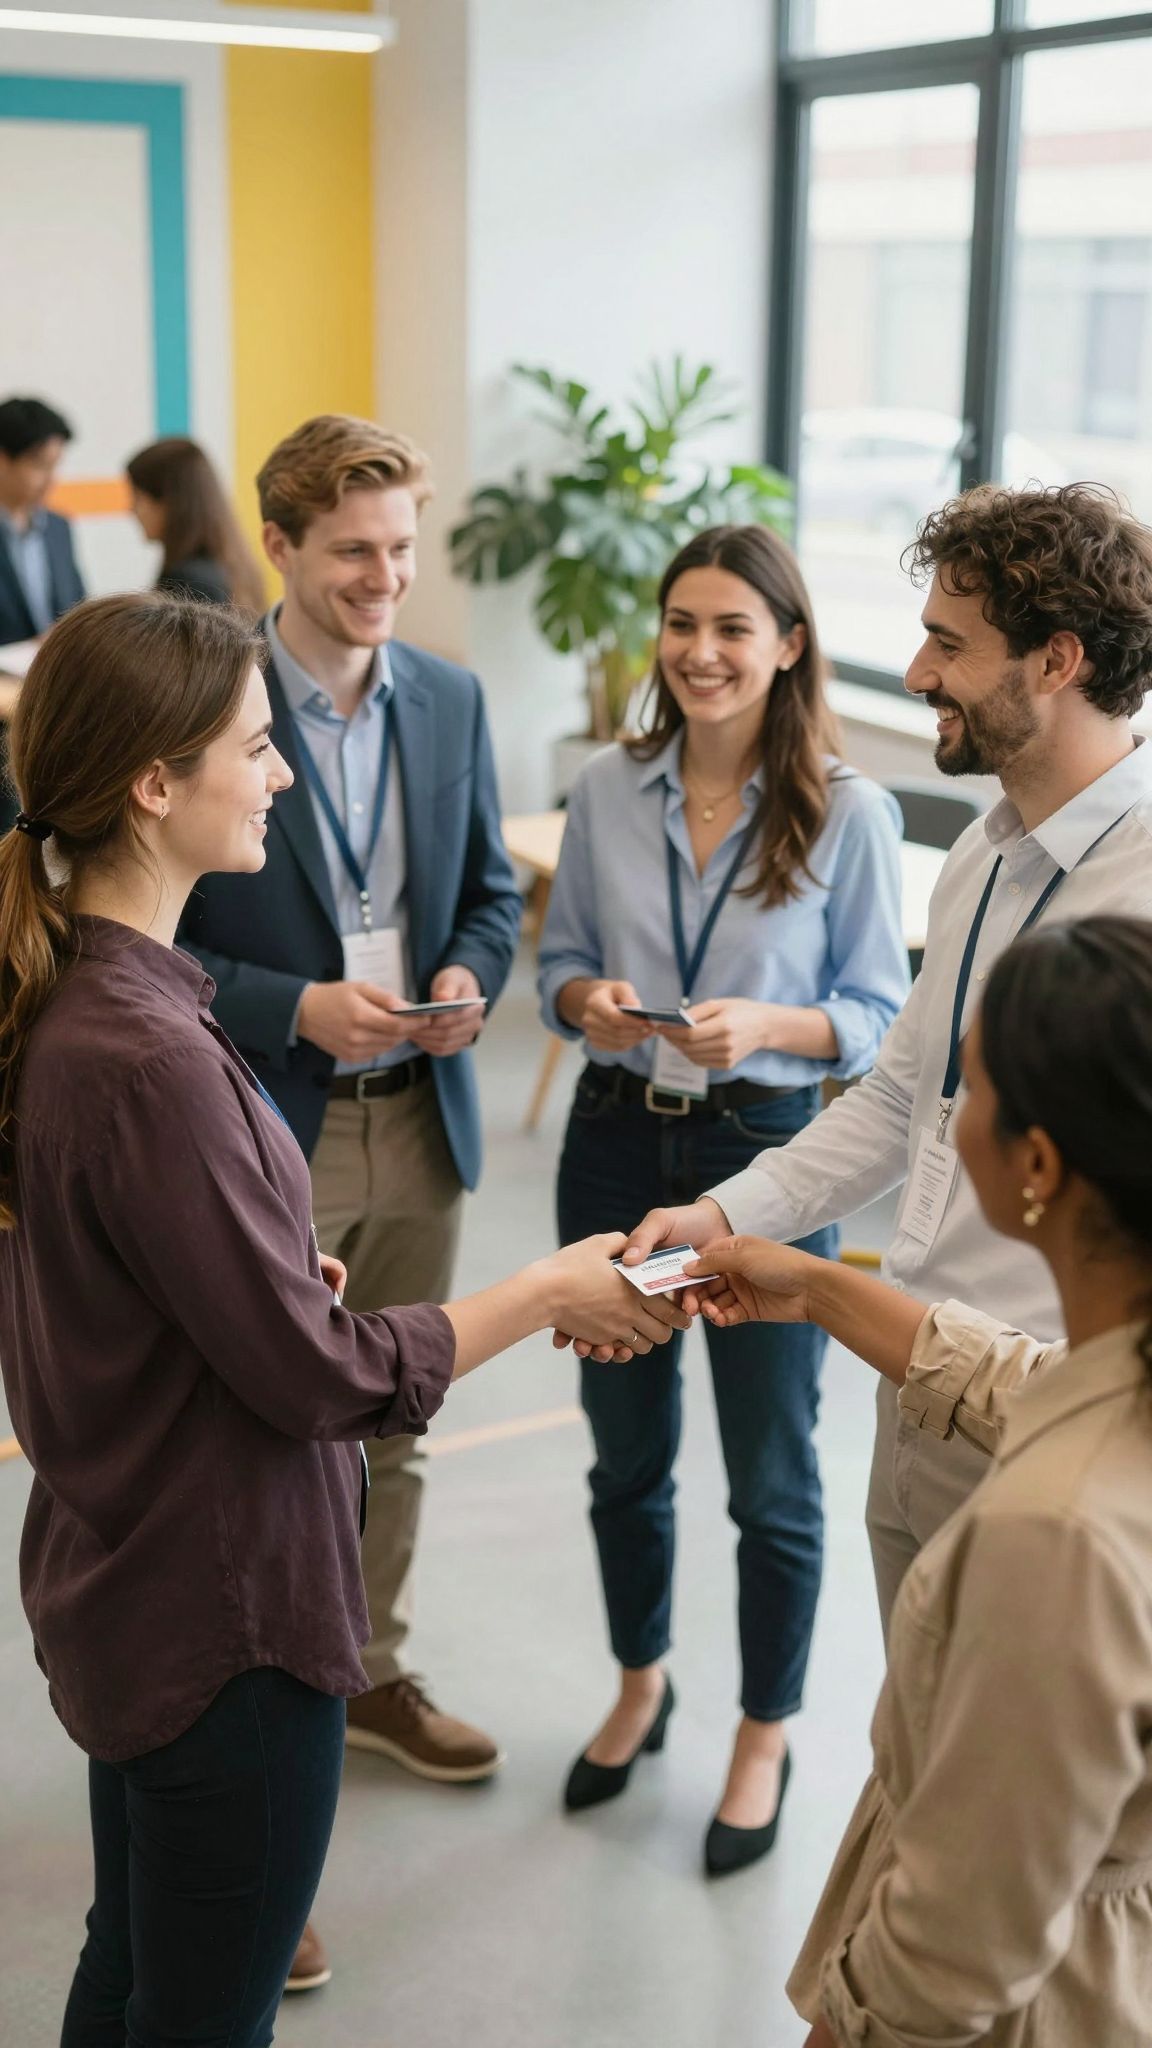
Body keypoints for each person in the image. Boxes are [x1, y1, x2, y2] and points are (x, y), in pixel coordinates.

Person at [0, 591, 688, 2048]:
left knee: (126, 1973)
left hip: (128, 1587)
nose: (284, 774)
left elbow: (124, 1296)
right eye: (256, 747)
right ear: (153, 782)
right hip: (222, 1618)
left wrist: (261, 1280)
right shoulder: (148, 1060)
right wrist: (543, 1289)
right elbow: (319, 1379)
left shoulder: (89, 1005)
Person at [615, 483, 1152, 1632]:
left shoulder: (1142, 894)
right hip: (910, 1382)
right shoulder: (980, 850)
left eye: (947, 645)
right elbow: (906, 1094)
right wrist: (722, 1212)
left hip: (1046, 1420)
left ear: (1056, 662)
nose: (915, 674)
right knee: (914, 1743)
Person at [178, 414, 523, 1986]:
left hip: (423, 1122)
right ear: (280, 553)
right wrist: (286, 1007)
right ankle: (255, 1816)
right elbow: (122, 928)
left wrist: (467, 971)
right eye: (353, 555)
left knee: (398, 1431)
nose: (387, 579)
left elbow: (492, 896)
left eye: (402, 548)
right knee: (262, 1460)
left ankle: (365, 1675)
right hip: (266, 1120)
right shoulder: (201, 697)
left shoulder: (450, 698)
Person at [689, 915, 1152, 2048]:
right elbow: (1023, 1377)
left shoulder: (1058, 1540)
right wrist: (813, 1286)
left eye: (971, 1089)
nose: (949, 1114)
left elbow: (958, 1944)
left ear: (1036, 1164)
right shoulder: (1118, 1377)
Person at [538, 524, 909, 1873]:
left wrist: (769, 1025)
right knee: (625, 1454)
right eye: (682, 624)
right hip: (614, 1149)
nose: (702, 652)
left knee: (773, 1475)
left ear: (789, 645)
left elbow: (879, 1016)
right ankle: (644, 1682)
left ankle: (765, 1727)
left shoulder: (849, 810)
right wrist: (591, 1002)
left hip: (767, 1161)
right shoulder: (606, 787)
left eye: (733, 628)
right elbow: (560, 964)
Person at [126, 435, 266, 613]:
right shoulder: (230, 566)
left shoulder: (188, 581)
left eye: (138, 497)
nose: (131, 509)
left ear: (169, 503)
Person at [0, 394, 85, 645]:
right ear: (2, 460)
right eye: (40, 467)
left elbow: (79, 606)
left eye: (55, 467)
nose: (51, 480)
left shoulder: (58, 527)